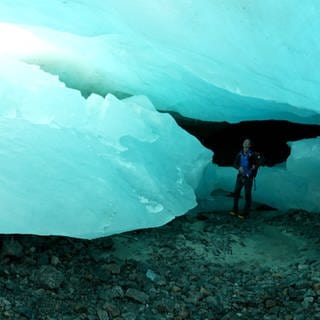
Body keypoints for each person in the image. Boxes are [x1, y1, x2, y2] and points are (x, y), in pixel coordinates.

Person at [230, 138, 262, 219]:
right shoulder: (240, 154)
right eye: (244, 142)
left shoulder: (253, 154)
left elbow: (261, 159)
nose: (245, 143)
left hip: (248, 177)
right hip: (240, 176)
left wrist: (255, 165)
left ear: (250, 145)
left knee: (247, 195)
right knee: (236, 193)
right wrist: (238, 167)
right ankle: (235, 210)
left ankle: (246, 213)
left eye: (247, 142)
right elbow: (234, 163)